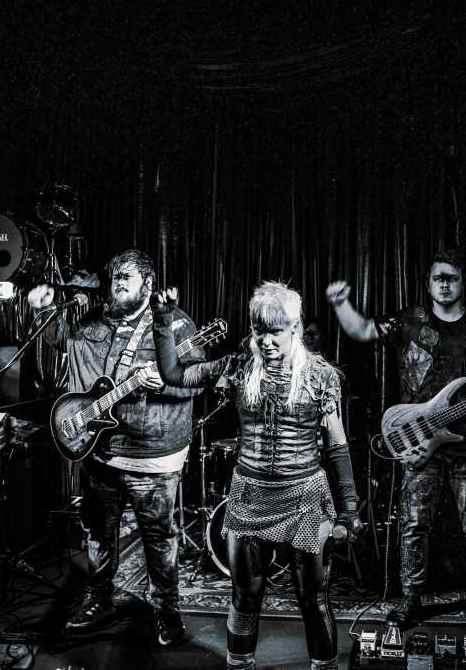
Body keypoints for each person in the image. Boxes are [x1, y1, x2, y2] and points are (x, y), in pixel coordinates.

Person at [150, 282, 362, 670]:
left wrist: (349, 509)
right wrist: (163, 321)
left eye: (274, 331)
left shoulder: (320, 376)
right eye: (258, 331)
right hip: (249, 496)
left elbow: (337, 445)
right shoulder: (238, 367)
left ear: (294, 328)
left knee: (313, 600)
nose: (265, 341)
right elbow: (173, 373)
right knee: (244, 596)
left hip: (305, 497)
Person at [325, 250, 466, 636]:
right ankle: (410, 598)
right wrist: (340, 304)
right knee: (414, 524)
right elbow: (363, 330)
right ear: (428, 283)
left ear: (463, 281)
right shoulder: (410, 321)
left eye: (452, 277)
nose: (445, 284)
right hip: (418, 438)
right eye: (439, 278)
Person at [27, 249, 204, 646]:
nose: (118, 282)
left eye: (127, 276)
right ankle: (99, 596)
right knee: (98, 532)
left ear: (149, 284)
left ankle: (166, 609)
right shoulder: (95, 320)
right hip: (99, 448)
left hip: (151, 452)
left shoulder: (176, 324)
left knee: (159, 538)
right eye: (114, 276)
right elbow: (62, 341)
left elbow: (195, 380)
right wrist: (42, 311)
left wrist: (167, 382)